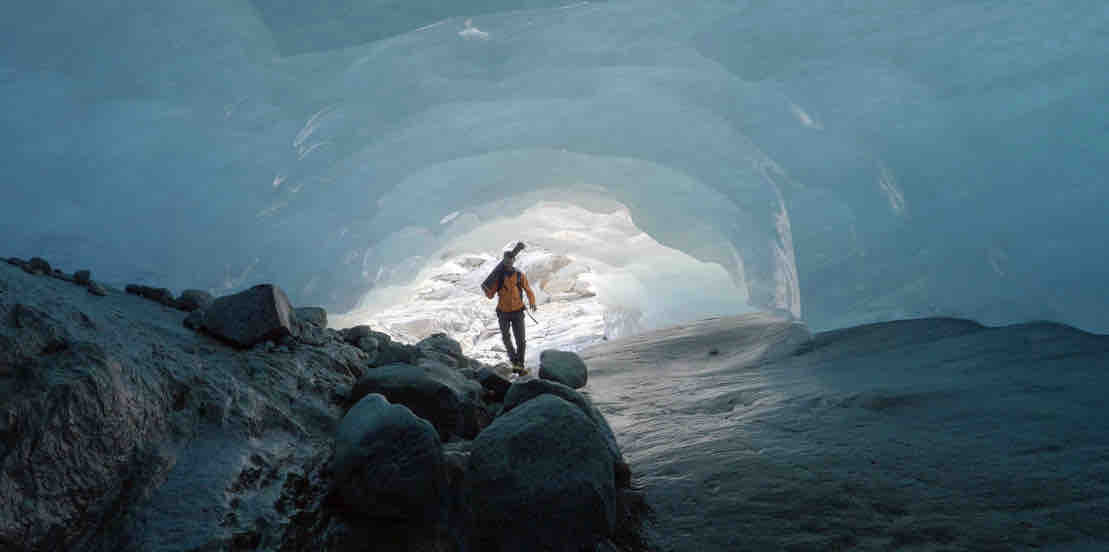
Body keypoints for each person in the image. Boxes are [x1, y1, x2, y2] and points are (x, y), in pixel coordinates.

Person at [482, 247, 537, 374]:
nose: (509, 262)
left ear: (513, 260)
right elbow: (490, 296)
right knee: (506, 338)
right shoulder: (499, 277)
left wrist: (532, 302)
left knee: (521, 340)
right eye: (507, 260)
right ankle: (515, 362)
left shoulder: (519, 275)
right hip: (503, 313)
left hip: (518, 312)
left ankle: (520, 365)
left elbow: (528, 290)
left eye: (511, 259)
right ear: (504, 260)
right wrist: (486, 290)